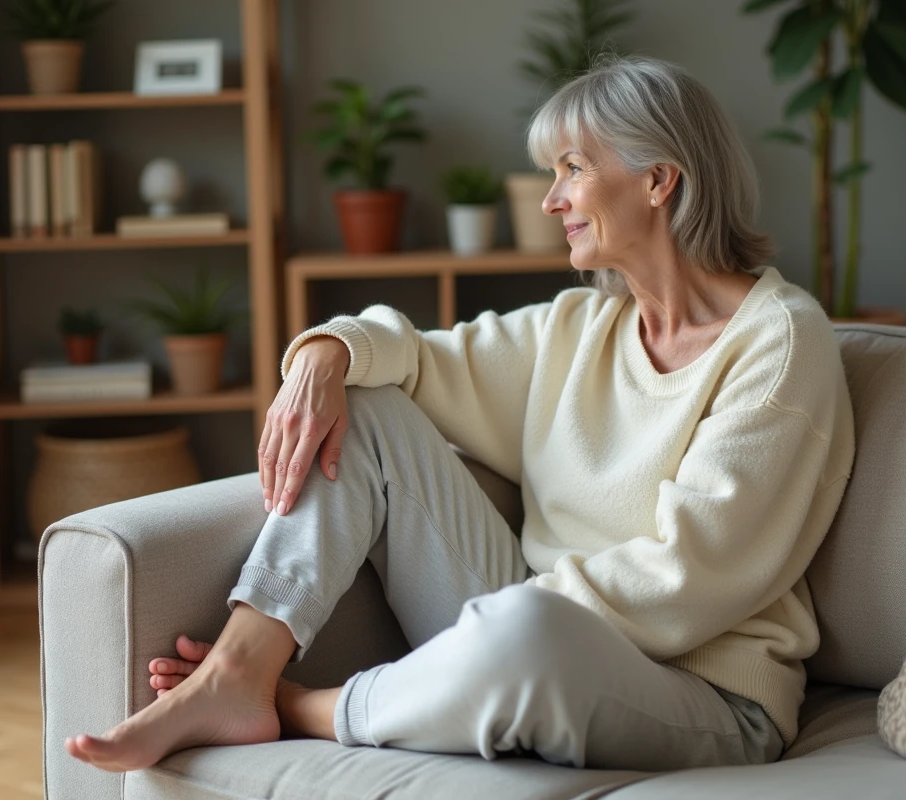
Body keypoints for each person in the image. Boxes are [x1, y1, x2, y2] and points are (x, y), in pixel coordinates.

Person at [64, 53, 855, 774]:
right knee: (367, 411)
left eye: (573, 169)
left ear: (659, 180)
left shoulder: (779, 343)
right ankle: (240, 670)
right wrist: (325, 355)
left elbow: (690, 574)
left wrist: (496, 632)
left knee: (526, 634)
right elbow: (409, 356)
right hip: (522, 636)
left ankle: (300, 706)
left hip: (707, 697)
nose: (551, 200)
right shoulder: (579, 329)